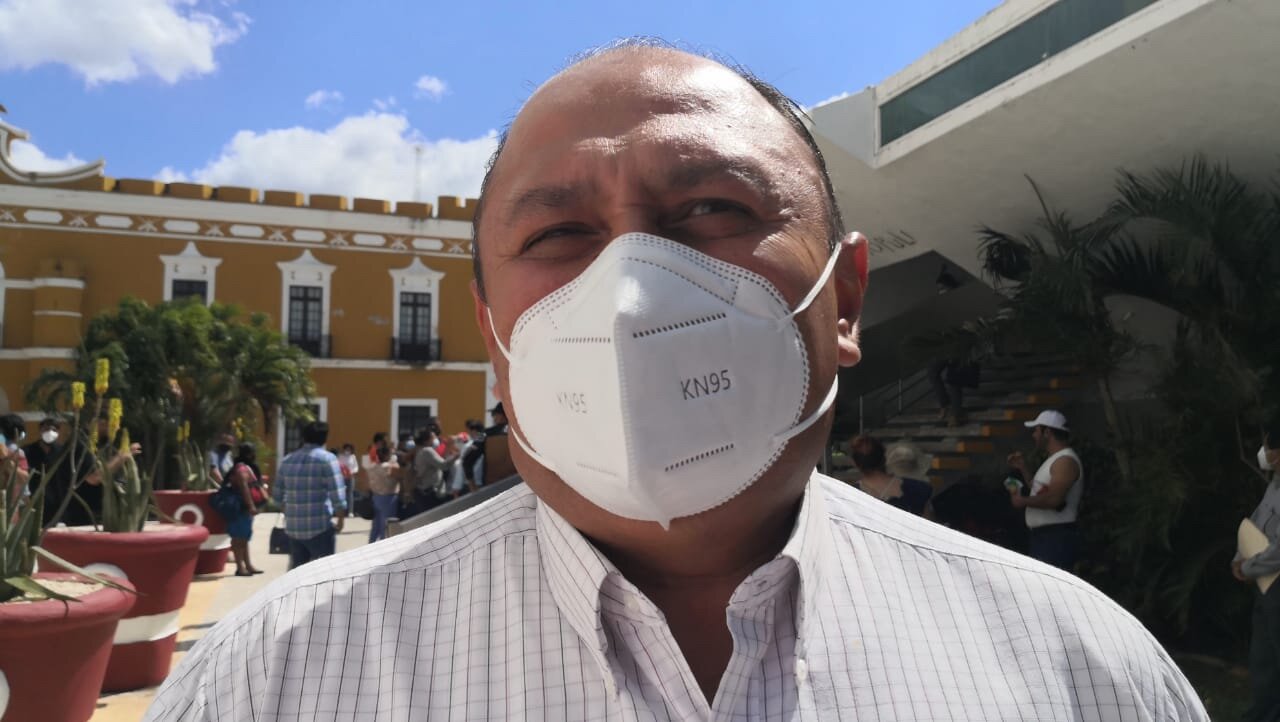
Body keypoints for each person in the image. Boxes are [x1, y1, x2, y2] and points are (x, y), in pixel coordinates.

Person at [146, 43, 1205, 720]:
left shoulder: (1079, 665)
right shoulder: (278, 672)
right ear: (493, 335)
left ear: (844, 300)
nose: (630, 292)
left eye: (710, 210)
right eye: (558, 234)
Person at [1234, 418, 1280, 722]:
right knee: (1264, 659)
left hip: (1274, 582)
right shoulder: (1274, 485)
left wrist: (1249, 566)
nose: (1264, 452)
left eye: (1269, 446)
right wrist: (1240, 558)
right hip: (1265, 584)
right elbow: (1256, 522)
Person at [1006, 409, 1084, 571]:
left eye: (1036, 430)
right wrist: (1023, 468)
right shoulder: (1055, 459)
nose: (1034, 435)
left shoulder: (1065, 461)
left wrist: (1022, 501)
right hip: (1044, 536)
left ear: (1047, 432)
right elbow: (1040, 490)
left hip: (1055, 537)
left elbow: (1054, 498)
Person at [274, 421, 347, 570]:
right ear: (325, 438)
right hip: (320, 527)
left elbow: (277, 496)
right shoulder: (327, 459)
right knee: (324, 573)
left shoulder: (287, 460)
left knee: (298, 574)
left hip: (294, 528)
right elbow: (337, 493)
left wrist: (289, 512)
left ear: (304, 437)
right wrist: (340, 519)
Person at [849, 435, 933, 516]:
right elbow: (929, 523)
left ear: (855, 463)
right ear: (884, 458)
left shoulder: (849, 495)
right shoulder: (918, 489)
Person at [225, 443, 265, 576]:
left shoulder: (243, 467)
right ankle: (240, 567)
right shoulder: (241, 469)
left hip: (243, 509)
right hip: (240, 508)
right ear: (249, 454)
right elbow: (244, 488)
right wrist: (251, 506)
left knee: (244, 538)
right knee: (238, 539)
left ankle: (247, 565)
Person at [365, 445, 399, 543]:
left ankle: (371, 544)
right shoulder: (389, 466)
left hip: (376, 497)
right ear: (386, 455)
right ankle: (385, 545)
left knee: (376, 525)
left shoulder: (372, 467)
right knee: (386, 526)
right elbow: (398, 472)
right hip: (388, 498)